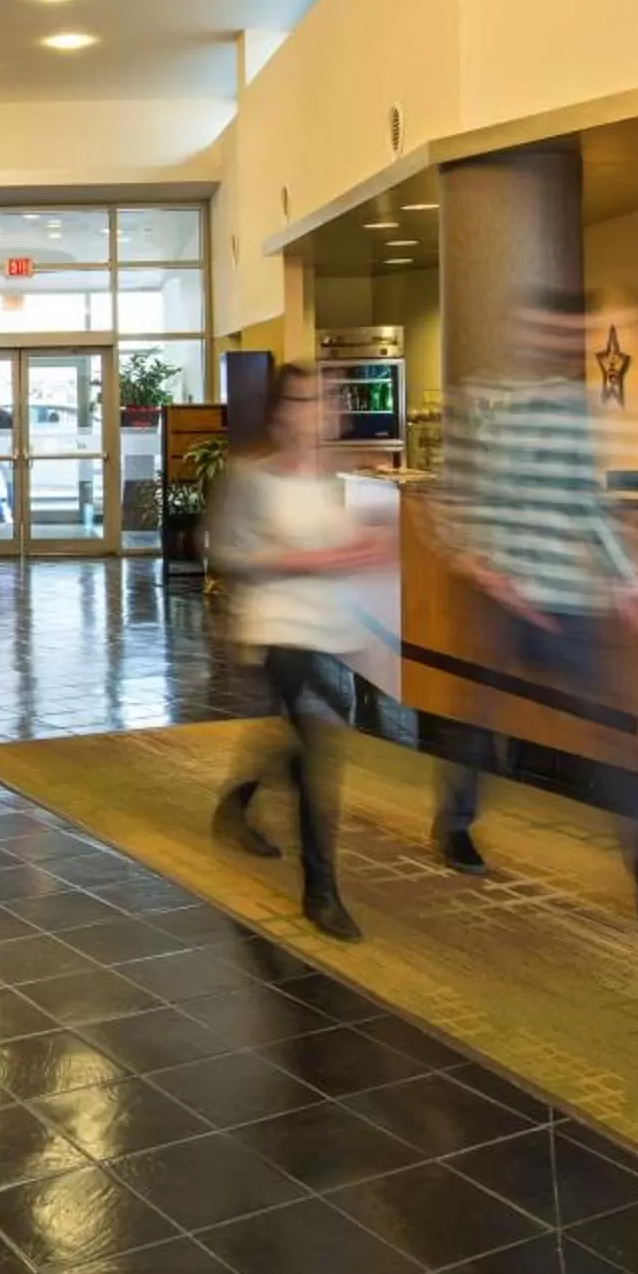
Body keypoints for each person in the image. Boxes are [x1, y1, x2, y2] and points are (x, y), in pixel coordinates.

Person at [435, 296, 638, 928]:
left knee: (617, 734)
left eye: (574, 335)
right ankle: (454, 821)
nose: (564, 345)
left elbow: (588, 504)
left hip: (567, 602)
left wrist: (632, 582)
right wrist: (477, 565)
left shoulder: (579, 413)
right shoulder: (483, 403)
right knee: (479, 722)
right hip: (501, 597)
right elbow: (457, 495)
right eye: (554, 332)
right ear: (527, 333)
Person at [207, 364, 396, 941]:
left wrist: (368, 547)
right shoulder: (251, 478)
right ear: (282, 412)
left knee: (300, 742)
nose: (316, 412)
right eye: (303, 401)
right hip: (279, 628)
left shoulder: (335, 480)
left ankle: (237, 804)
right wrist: (304, 561)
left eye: (324, 401)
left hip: (330, 629)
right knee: (320, 747)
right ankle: (321, 891)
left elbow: (346, 550)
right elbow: (226, 551)